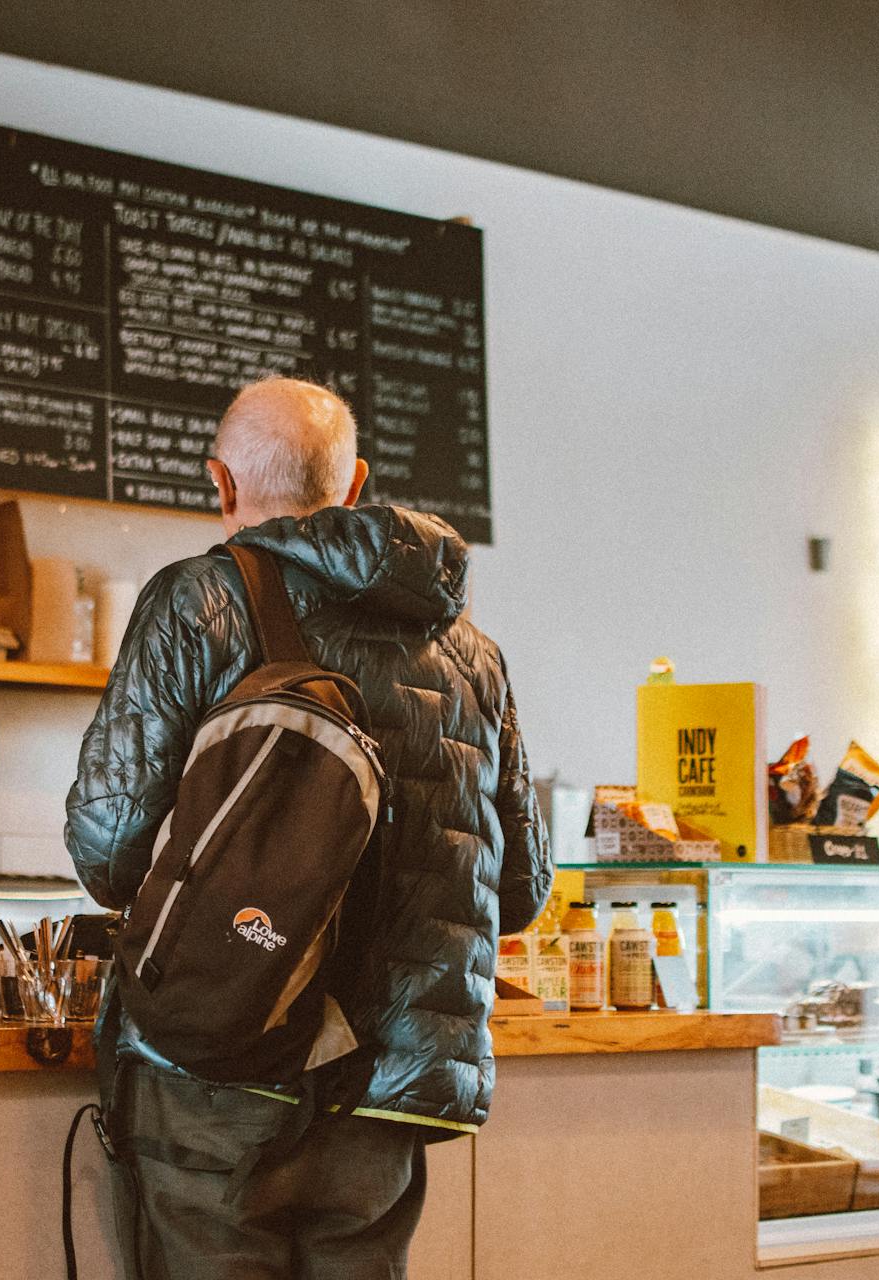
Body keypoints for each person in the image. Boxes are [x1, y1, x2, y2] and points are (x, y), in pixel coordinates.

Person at [66, 376, 551, 1278]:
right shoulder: (471, 653)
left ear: (221, 483)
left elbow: (109, 846)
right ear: (354, 482)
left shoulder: (197, 601)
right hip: (394, 1090)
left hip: (222, 1060)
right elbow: (520, 890)